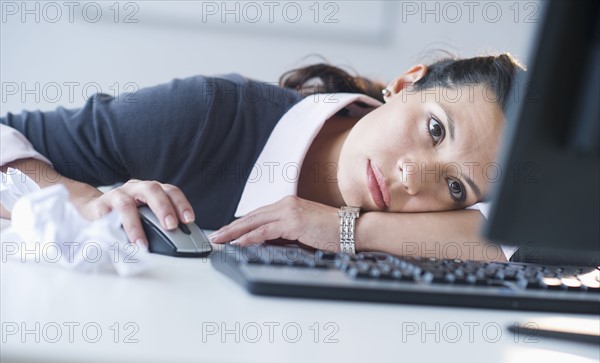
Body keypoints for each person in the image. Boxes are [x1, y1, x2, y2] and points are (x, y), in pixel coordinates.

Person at [0, 54, 524, 261]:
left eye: (455, 186)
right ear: (407, 82)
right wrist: (84, 198)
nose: (415, 177)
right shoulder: (207, 115)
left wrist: (344, 230)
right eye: (435, 129)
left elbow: (552, 249)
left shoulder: (433, 232)